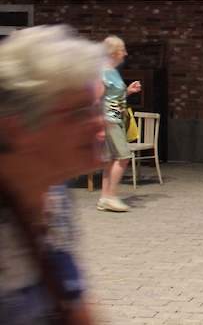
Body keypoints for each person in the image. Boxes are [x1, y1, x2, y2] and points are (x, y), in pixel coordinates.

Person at [0, 26, 105, 324]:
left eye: (95, 107)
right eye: (78, 113)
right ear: (16, 128)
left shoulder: (54, 195)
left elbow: (73, 302)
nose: (100, 125)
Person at [98, 35, 142, 212]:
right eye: (122, 50)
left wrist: (128, 91)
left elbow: (114, 98)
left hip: (116, 116)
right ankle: (111, 196)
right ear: (114, 52)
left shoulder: (113, 71)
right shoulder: (101, 72)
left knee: (109, 160)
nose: (125, 53)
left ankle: (104, 197)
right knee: (123, 157)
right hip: (109, 119)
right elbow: (97, 99)